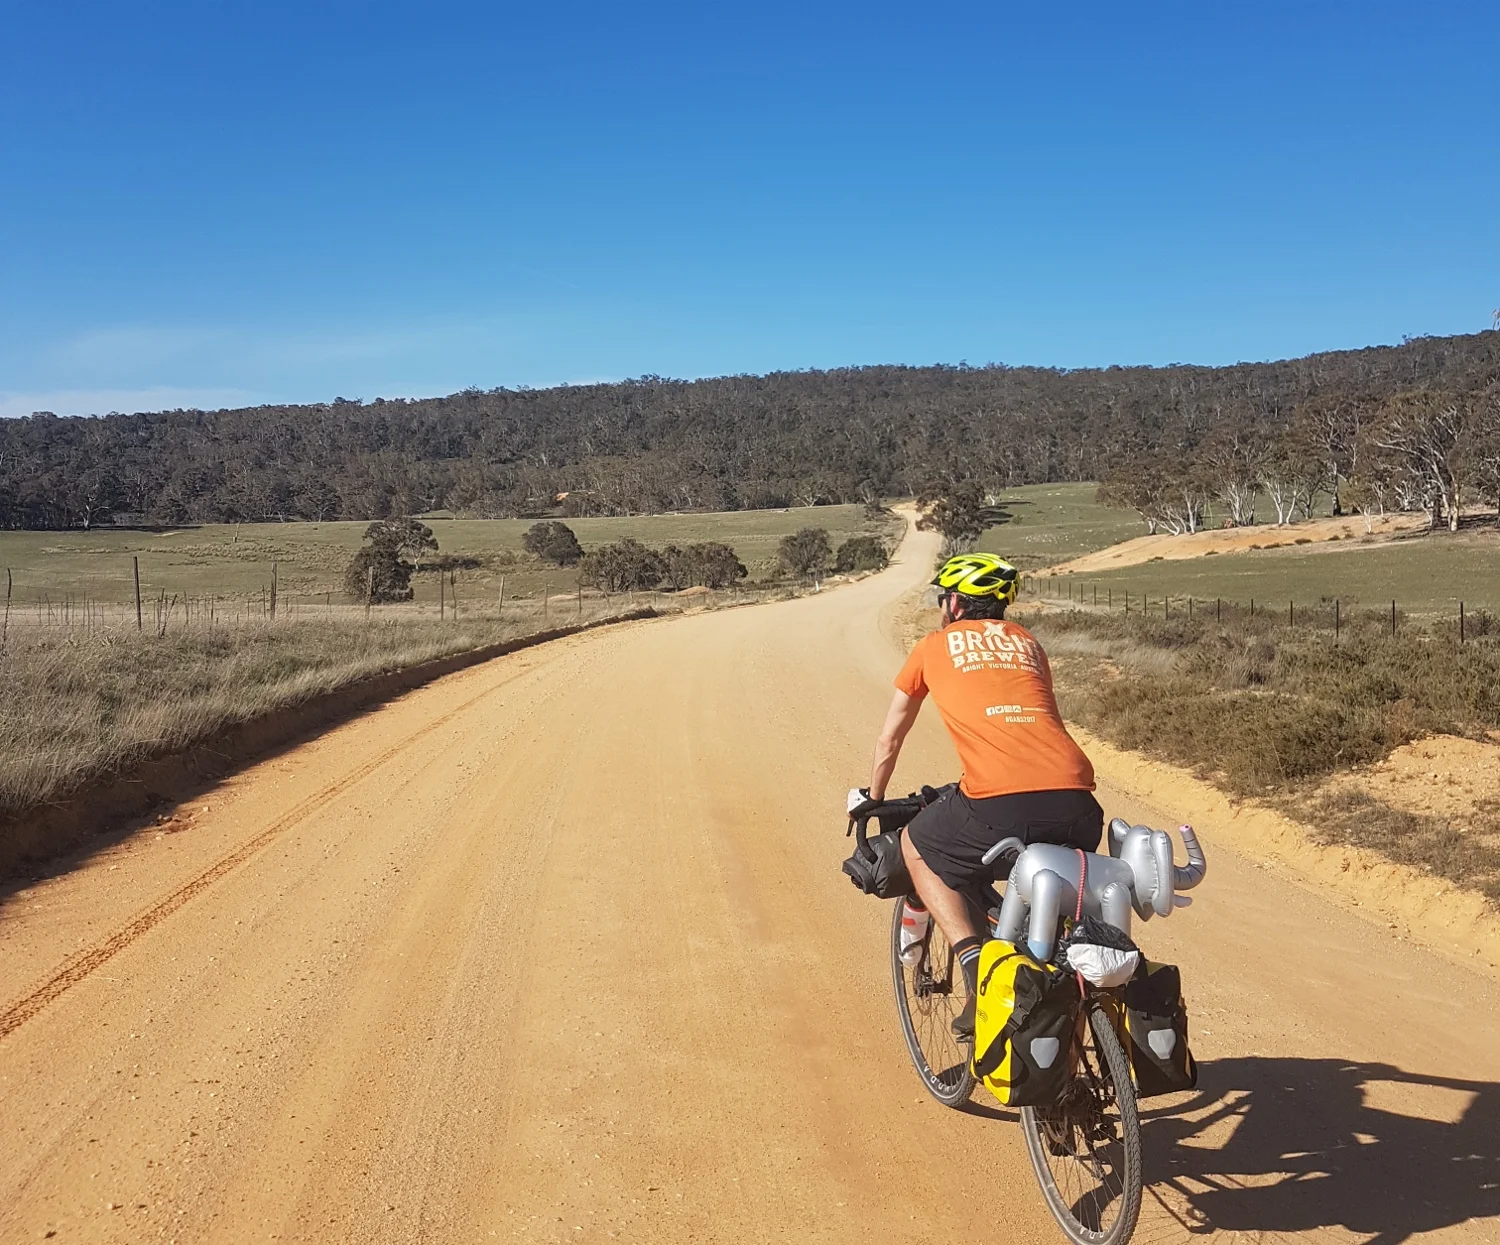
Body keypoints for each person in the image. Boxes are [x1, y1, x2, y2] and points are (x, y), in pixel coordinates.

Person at [856, 552, 1102, 1040]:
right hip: (1078, 800)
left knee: (918, 845)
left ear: (954, 604)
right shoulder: (1030, 644)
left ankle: (975, 971)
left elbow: (889, 740)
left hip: (997, 799)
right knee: (1041, 894)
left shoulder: (932, 646)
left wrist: (873, 796)